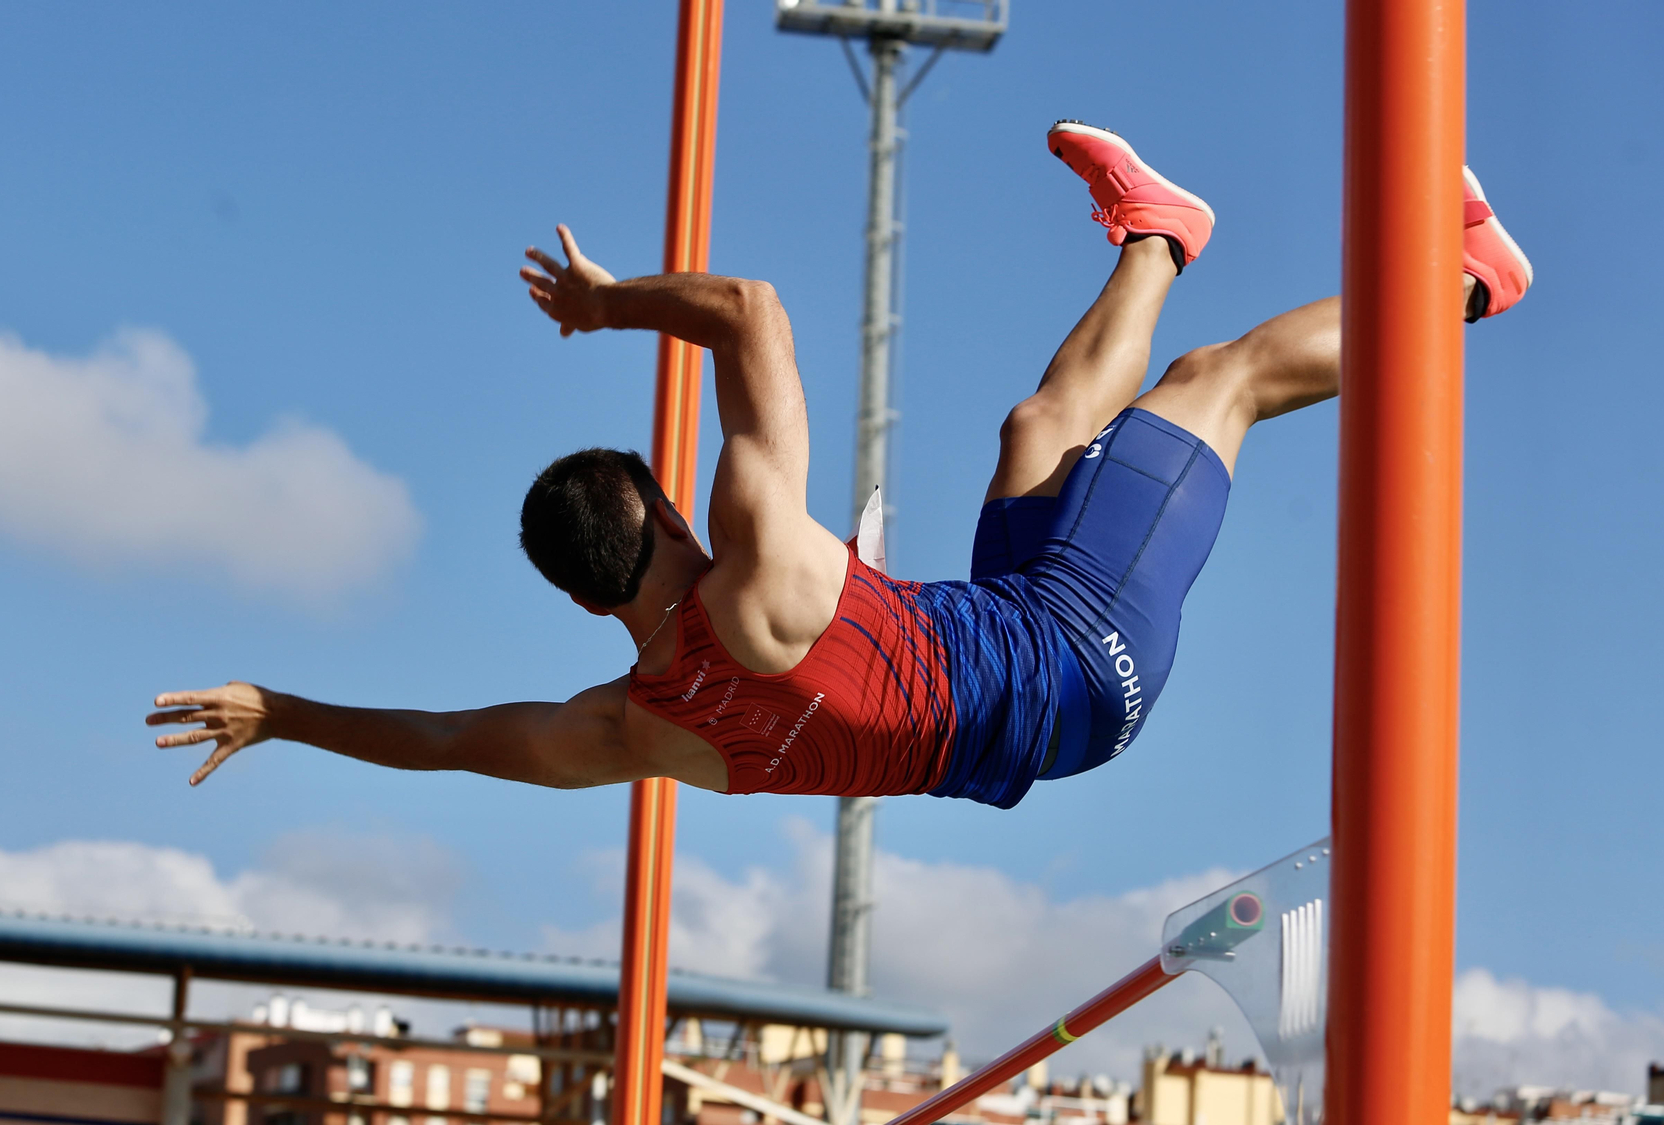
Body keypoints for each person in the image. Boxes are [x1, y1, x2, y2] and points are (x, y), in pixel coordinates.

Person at [147, 122, 1532, 807]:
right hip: (1076, 657)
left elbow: (451, 740)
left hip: (1018, 674)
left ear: (581, 599)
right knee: (1209, 386)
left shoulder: (633, 725)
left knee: (1038, 436)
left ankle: (1156, 233)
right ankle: (1464, 283)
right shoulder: (758, 554)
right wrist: (607, 304)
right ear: (664, 488)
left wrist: (282, 709)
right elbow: (753, 309)